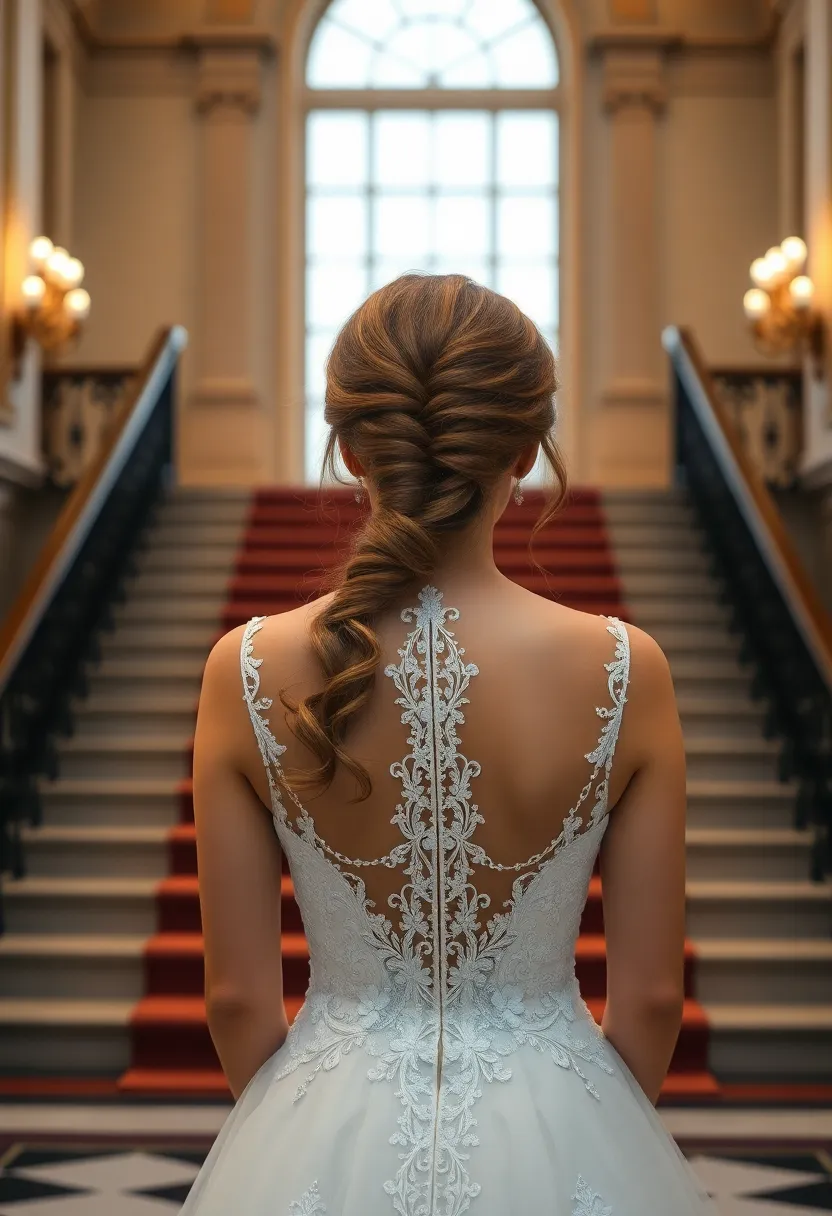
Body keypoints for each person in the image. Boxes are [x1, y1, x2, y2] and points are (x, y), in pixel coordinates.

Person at [183, 274, 717, 1215]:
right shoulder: (625, 669)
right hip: (562, 1121)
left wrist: (296, 1138)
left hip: (318, 1122)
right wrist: (595, 1140)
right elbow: (650, 1004)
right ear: (526, 448)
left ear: (350, 449)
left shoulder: (247, 667)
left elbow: (234, 1003)